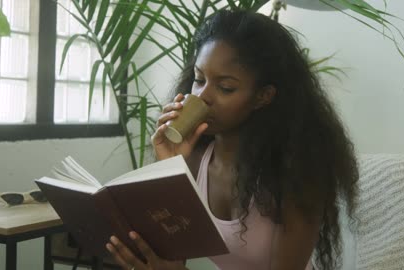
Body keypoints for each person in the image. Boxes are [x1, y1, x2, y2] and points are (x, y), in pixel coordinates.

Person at [106, 9, 359, 270]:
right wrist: (169, 167)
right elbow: (173, 262)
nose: (203, 96)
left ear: (263, 96)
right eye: (199, 79)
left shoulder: (295, 175)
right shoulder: (193, 160)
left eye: (225, 87)